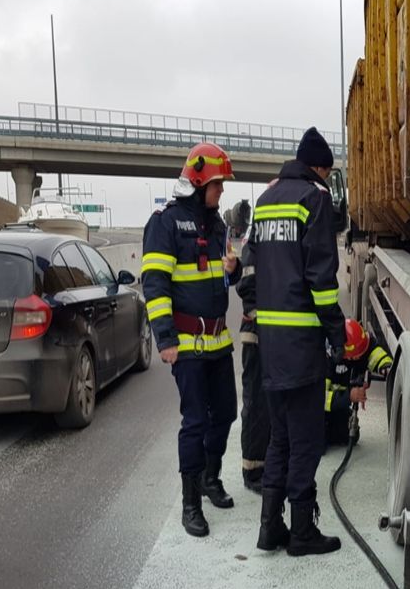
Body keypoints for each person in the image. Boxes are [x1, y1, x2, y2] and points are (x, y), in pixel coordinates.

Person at [246, 127, 347, 557]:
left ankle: (270, 527)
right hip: (303, 340)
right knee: (306, 438)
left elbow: (255, 266)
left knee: (280, 437)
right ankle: (302, 531)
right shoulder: (315, 199)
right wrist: (337, 334)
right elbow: (322, 280)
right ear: (319, 168)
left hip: (270, 342)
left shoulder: (266, 201)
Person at [142, 142, 241, 538]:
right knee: (195, 422)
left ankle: (209, 477)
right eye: (218, 185)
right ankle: (191, 504)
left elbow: (218, 279)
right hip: (185, 343)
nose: (222, 192)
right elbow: (155, 284)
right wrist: (165, 339)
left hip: (217, 341)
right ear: (200, 182)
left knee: (227, 414)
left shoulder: (216, 224)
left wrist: (231, 271)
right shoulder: (166, 223)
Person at [236, 226, 269, 494]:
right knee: (256, 402)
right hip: (257, 332)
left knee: (268, 404)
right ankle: (253, 471)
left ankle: (265, 464)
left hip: (269, 333)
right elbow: (247, 282)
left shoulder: (264, 232)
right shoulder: (257, 236)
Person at [324, 318, 393, 447]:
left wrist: (386, 366)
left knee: (350, 436)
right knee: (318, 441)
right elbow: (318, 399)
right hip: (317, 411)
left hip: (338, 404)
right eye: (356, 356)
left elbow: (374, 353)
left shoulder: (359, 343)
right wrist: (349, 396)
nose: (359, 358)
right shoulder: (325, 359)